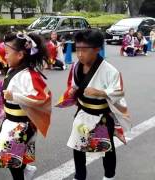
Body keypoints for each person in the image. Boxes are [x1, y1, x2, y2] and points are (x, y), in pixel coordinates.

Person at [59, 29, 130, 180]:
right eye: (77, 49)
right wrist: (72, 91)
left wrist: (102, 93)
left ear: (97, 49)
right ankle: (79, 176)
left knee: (106, 149)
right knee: (78, 146)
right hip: (83, 113)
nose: (79, 54)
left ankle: (109, 176)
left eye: (84, 50)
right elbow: (73, 85)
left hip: (102, 116)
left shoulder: (110, 71)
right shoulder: (76, 66)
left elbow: (119, 92)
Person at [0, 32, 52, 180]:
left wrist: (15, 96)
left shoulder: (29, 75)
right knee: (12, 154)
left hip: (22, 123)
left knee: (10, 157)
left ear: (20, 55)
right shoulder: (13, 69)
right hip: (11, 121)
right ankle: (27, 169)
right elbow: (10, 87)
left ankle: (24, 172)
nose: (5, 56)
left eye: (7, 53)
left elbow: (42, 98)